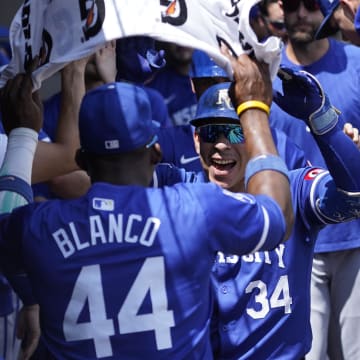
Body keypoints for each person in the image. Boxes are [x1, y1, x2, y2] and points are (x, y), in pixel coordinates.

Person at [0, 51, 293, 359]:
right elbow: (276, 216)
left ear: (81, 161)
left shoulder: (41, 227)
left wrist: (21, 134)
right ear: (155, 153)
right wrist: (254, 108)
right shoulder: (192, 208)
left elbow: (6, 223)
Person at [153, 66, 360, 358]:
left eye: (236, 131)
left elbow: (354, 197)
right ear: (197, 139)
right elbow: (104, 178)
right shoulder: (177, 190)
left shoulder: (293, 191)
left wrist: (324, 123)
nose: (221, 145)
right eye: (212, 132)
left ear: (255, 136)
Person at [270, 1, 360, 358]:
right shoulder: (266, 67)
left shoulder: (355, 61)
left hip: (354, 237)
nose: (301, 14)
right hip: (294, 240)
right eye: (292, 5)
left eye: (310, 4)